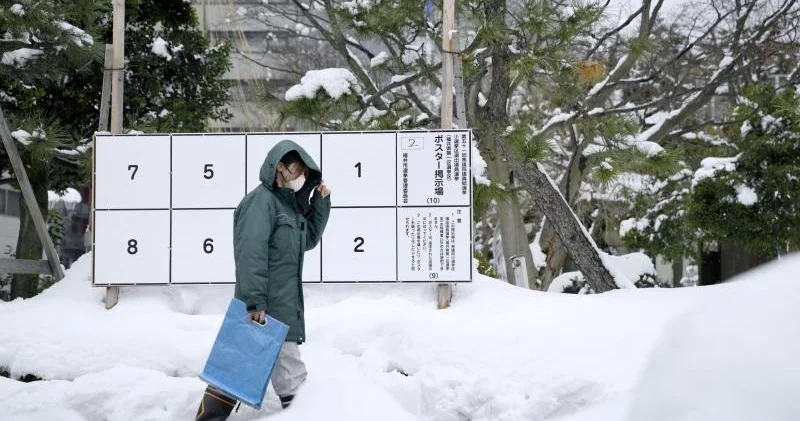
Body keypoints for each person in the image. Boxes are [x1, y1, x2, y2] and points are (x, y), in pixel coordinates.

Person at [195, 139, 331, 420]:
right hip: (265, 308)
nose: (301, 176)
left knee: (234, 372)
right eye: (297, 169)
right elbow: (250, 254)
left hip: (278, 305)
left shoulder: (287, 206)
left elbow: (306, 240)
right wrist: (255, 301)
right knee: (290, 378)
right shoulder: (261, 202)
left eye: (305, 171)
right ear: (280, 167)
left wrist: (320, 202)